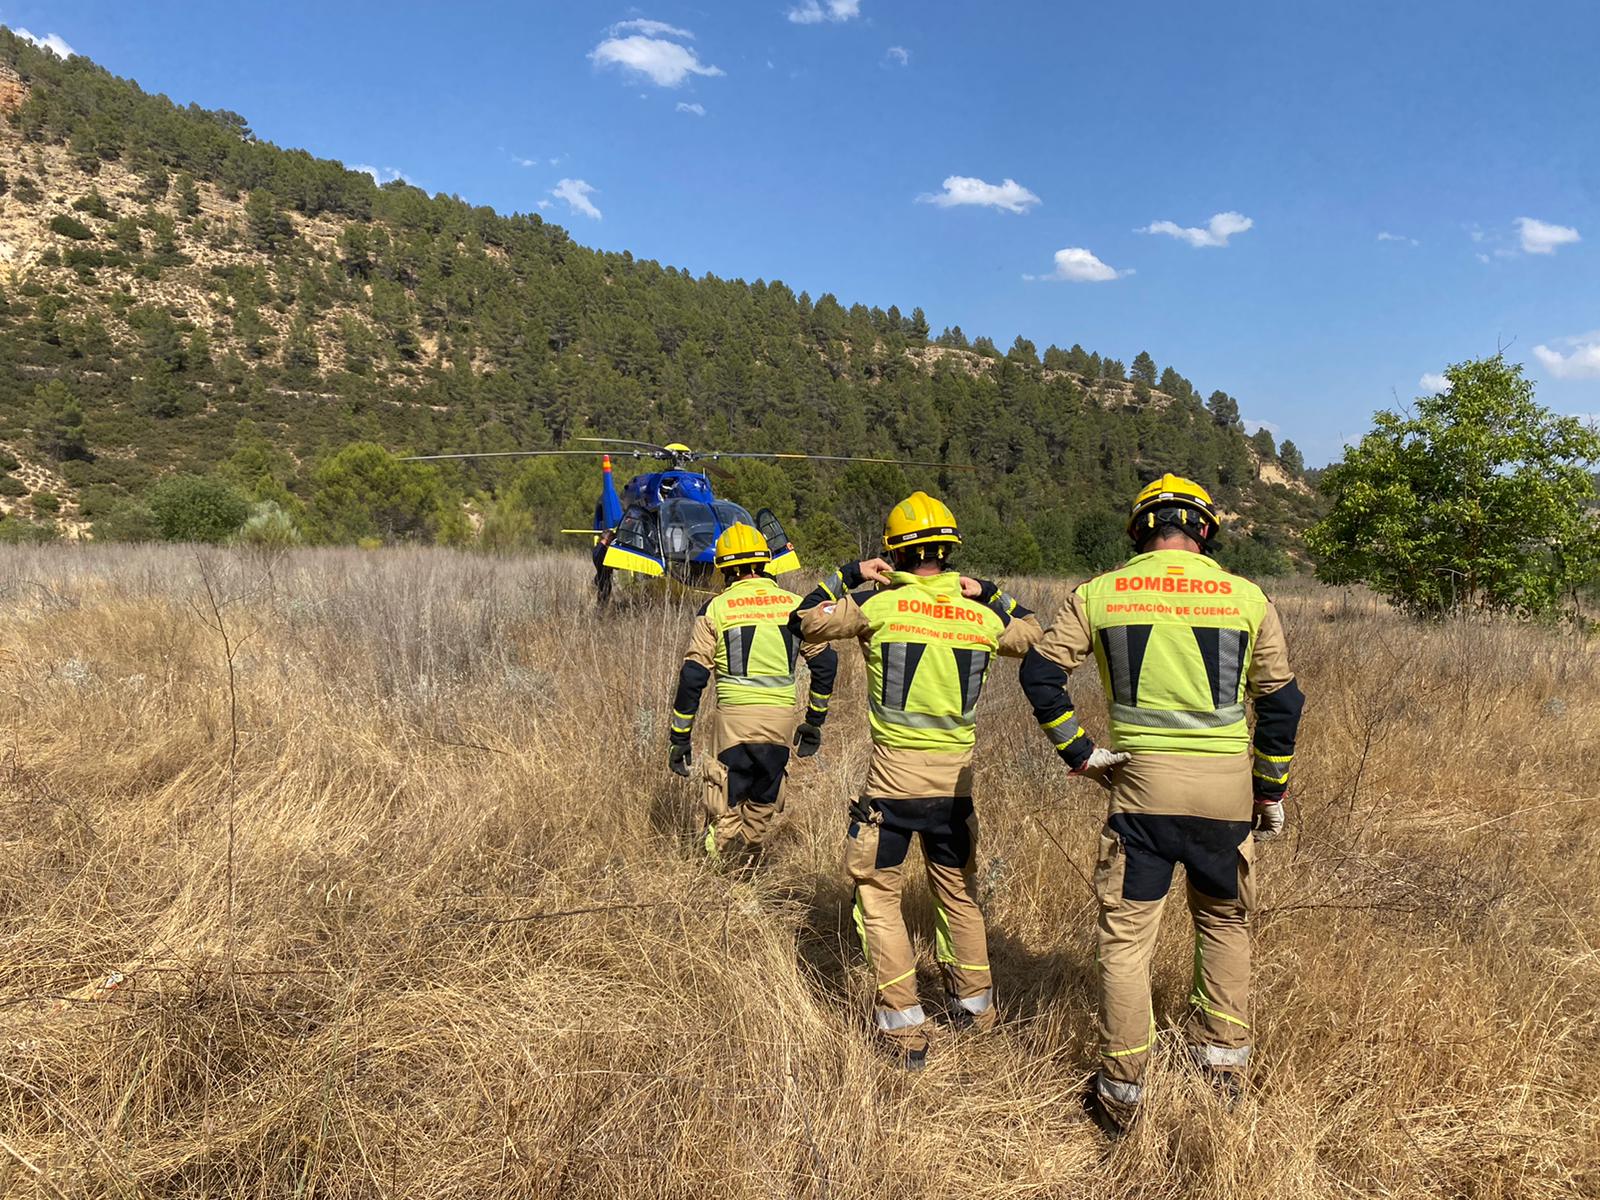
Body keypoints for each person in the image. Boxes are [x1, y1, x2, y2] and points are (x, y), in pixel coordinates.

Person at [1018, 474, 1305, 1137]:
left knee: (1125, 948)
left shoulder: (1099, 593)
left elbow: (1039, 674)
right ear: (1205, 530)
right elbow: (1283, 702)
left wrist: (1080, 753)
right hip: (1225, 798)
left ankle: (1121, 1093)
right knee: (1226, 929)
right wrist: (1271, 789)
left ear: (1140, 531)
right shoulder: (1248, 597)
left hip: (1140, 797)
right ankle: (1223, 1076)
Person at [793, 492, 1042, 1069]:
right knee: (958, 894)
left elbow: (805, 618)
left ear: (894, 555)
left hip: (892, 788)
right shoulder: (981, 618)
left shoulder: (878, 608)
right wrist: (988, 591)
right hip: (955, 789)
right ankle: (976, 1007)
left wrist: (851, 575)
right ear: (949, 553)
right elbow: (1033, 631)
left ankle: (905, 1029)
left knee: (879, 898)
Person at [668, 523, 838, 873]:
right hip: (780, 721)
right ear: (765, 562)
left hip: (733, 721)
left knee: (725, 805)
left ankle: (715, 880)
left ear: (725, 568)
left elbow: (693, 676)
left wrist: (679, 737)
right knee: (763, 801)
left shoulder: (715, 609)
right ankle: (748, 871)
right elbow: (825, 663)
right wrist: (813, 722)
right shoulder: (795, 606)